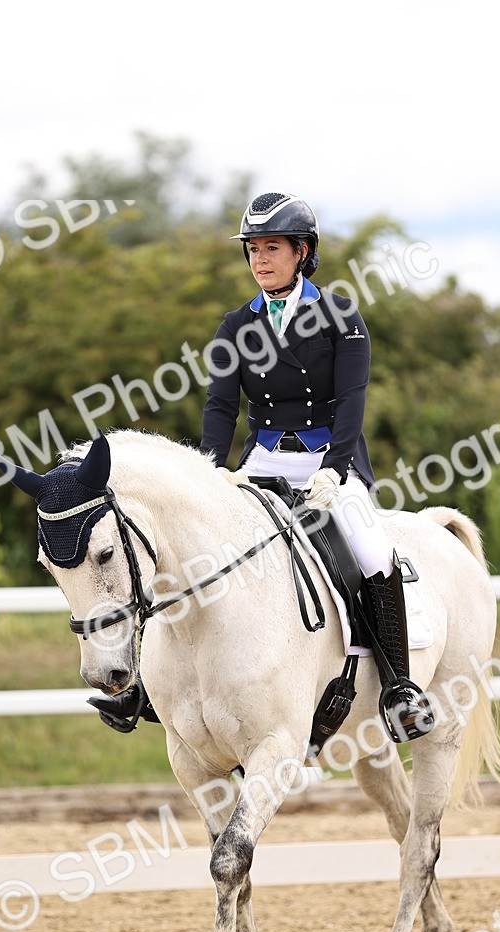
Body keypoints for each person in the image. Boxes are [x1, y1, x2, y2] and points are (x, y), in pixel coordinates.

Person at [95, 191, 433, 741]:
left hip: (330, 462)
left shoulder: (340, 317)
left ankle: (400, 687)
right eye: (252, 250)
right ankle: (149, 684)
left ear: (302, 252)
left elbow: (352, 402)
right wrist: (207, 474)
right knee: (192, 549)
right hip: (263, 463)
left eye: (271, 248)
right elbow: (221, 406)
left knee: (372, 550)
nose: (259, 260)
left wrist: (336, 470)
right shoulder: (236, 326)